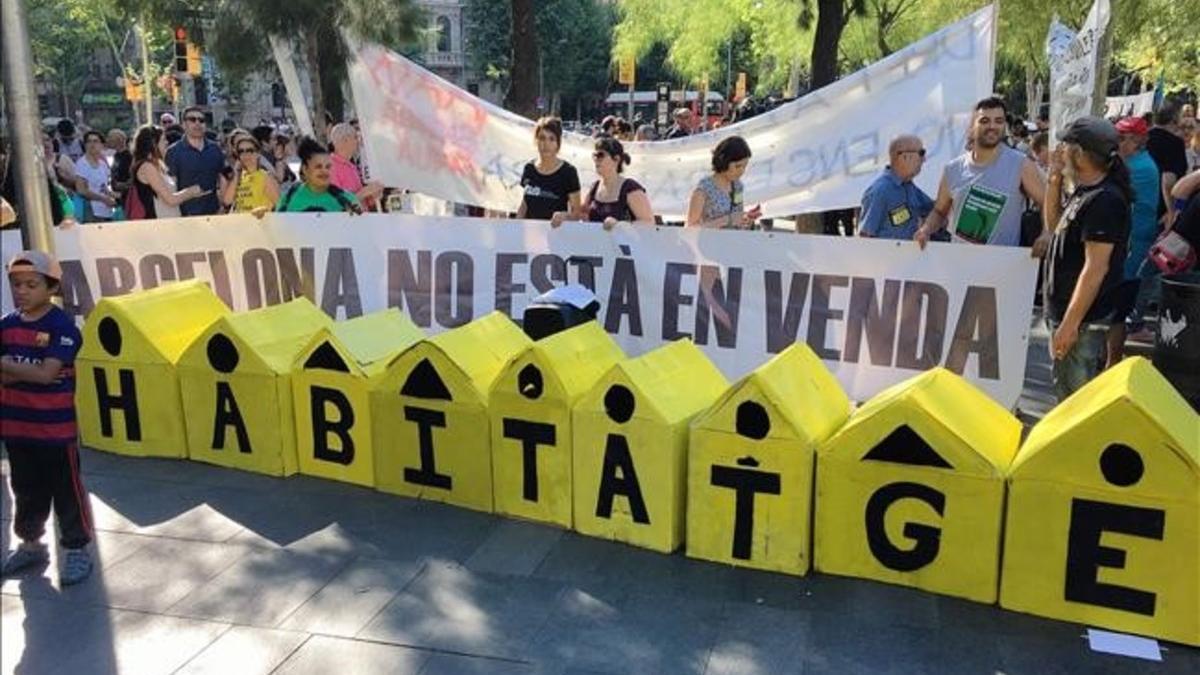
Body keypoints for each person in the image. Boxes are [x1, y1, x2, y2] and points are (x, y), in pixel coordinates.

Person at [1, 251, 93, 585]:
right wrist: (29, 370)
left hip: (55, 430)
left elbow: (47, 375)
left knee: (66, 490)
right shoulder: (6, 326)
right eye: (16, 284)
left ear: (51, 286)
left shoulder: (61, 326)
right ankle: (30, 544)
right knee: (25, 488)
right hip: (16, 426)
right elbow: (38, 373)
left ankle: (77, 548)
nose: (21, 291)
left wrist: (11, 367)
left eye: (31, 284)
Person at [1041, 116, 1131, 400]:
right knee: (1064, 394)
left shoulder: (1105, 200)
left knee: (1076, 402)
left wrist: (1070, 324)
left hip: (1083, 321)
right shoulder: (1086, 190)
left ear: (1079, 153)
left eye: (1066, 146)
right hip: (1067, 314)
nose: (1060, 151)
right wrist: (1054, 181)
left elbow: (1095, 268)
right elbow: (1055, 226)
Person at [916, 96, 1047, 249]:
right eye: (985, 121)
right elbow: (939, 211)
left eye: (999, 121)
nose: (992, 126)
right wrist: (925, 230)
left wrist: (1046, 233)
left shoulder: (1021, 164)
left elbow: (1046, 203)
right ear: (972, 126)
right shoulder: (953, 169)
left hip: (1005, 266)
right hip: (960, 263)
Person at [1106, 117, 1160, 365]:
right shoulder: (1132, 162)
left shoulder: (1139, 167)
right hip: (1127, 239)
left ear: (1137, 140)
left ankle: (1111, 362)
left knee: (1118, 306)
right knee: (1117, 307)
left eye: (1122, 138)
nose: (1117, 142)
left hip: (1132, 242)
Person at [551, 137, 653, 229]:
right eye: (594, 156)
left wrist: (621, 226)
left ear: (616, 159)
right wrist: (564, 216)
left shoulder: (630, 188)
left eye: (600, 155)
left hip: (625, 248)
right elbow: (580, 214)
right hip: (597, 247)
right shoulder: (595, 187)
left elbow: (648, 223)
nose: (596, 160)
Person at [857, 135, 933, 239]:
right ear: (904, 157)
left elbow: (935, 210)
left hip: (909, 254)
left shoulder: (909, 187)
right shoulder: (880, 191)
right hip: (886, 255)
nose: (924, 159)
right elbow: (865, 238)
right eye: (921, 153)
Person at [272, 136, 362, 214]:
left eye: (328, 167)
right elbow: (277, 223)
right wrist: (264, 220)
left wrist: (357, 215)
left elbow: (360, 225)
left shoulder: (345, 198)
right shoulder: (290, 196)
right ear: (305, 169)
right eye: (318, 167)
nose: (324, 171)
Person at [131, 125, 206, 219]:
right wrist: (191, 191)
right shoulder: (147, 167)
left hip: (170, 220)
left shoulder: (159, 164)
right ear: (153, 143)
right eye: (163, 140)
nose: (167, 143)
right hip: (156, 224)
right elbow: (170, 199)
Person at [686, 136, 760, 229]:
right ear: (724, 161)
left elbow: (737, 213)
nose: (741, 171)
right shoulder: (704, 189)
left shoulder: (738, 186)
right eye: (737, 166)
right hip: (709, 242)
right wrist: (727, 220)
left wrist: (746, 218)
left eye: (744, 166)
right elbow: (690, 229)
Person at [517, 116, 581, 221]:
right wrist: (516, 227)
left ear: (558, 143)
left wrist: (564, 216)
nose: (546, 144)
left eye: (551, 139)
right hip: (531, 234)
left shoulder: (568, 172)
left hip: (557, 234)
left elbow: (576, 213)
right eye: (542, 138)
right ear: (536, 141)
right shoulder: (529, 169)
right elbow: (524, 205)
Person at [165, 106, 225, 216]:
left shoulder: (215, 149)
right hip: (186, 215)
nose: (197, 123)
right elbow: (171, 186)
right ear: (184, 124)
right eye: (192, 119)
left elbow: (223, 178)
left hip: (214, 213)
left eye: (201, 120)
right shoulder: (173, 151)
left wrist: (223, 206)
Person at [1146, 105, 1188, 227]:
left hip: (1142, 198)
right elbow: (1169, 178)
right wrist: (1171, 211)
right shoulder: (1175, 143)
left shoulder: (1144, 137)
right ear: (1173, 120)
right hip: (1163, 203)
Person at [328, 123, 384, 209]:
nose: (358, 141)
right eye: (355, 137)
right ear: (345, 140)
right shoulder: (331, 166)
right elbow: (336, 203)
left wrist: (373, 196)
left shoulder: (351, 166)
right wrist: (365, 192)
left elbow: (362, 201)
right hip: (347, 221)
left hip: (360, 220)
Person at [221, 134, 280, 214]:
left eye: (250, 150)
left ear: (258, 153)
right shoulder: (239, 177)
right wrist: (237, 173)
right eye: (241, 151)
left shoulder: (265, 177)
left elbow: (279, 206)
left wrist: (264, 210)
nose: (246, 155)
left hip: (260, 224)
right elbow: (227, 201)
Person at [72, 130, 117, 223]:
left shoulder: (103, 164)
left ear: (102, 145)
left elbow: (104, 187)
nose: (92, 144)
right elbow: (81, 190)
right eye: (89, 141)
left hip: (107, 212)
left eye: (95, 141)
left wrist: (114, 196)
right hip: (91, 212)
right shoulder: (81, 164)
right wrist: (103, 199)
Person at [108, 129, 133, 214]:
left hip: (127, 196)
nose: (108, 141)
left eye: (111, 139)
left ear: (119, 140)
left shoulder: (129, 157)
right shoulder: (116, 155)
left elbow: (132, 178)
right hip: (117, 196)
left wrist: (123, 186)